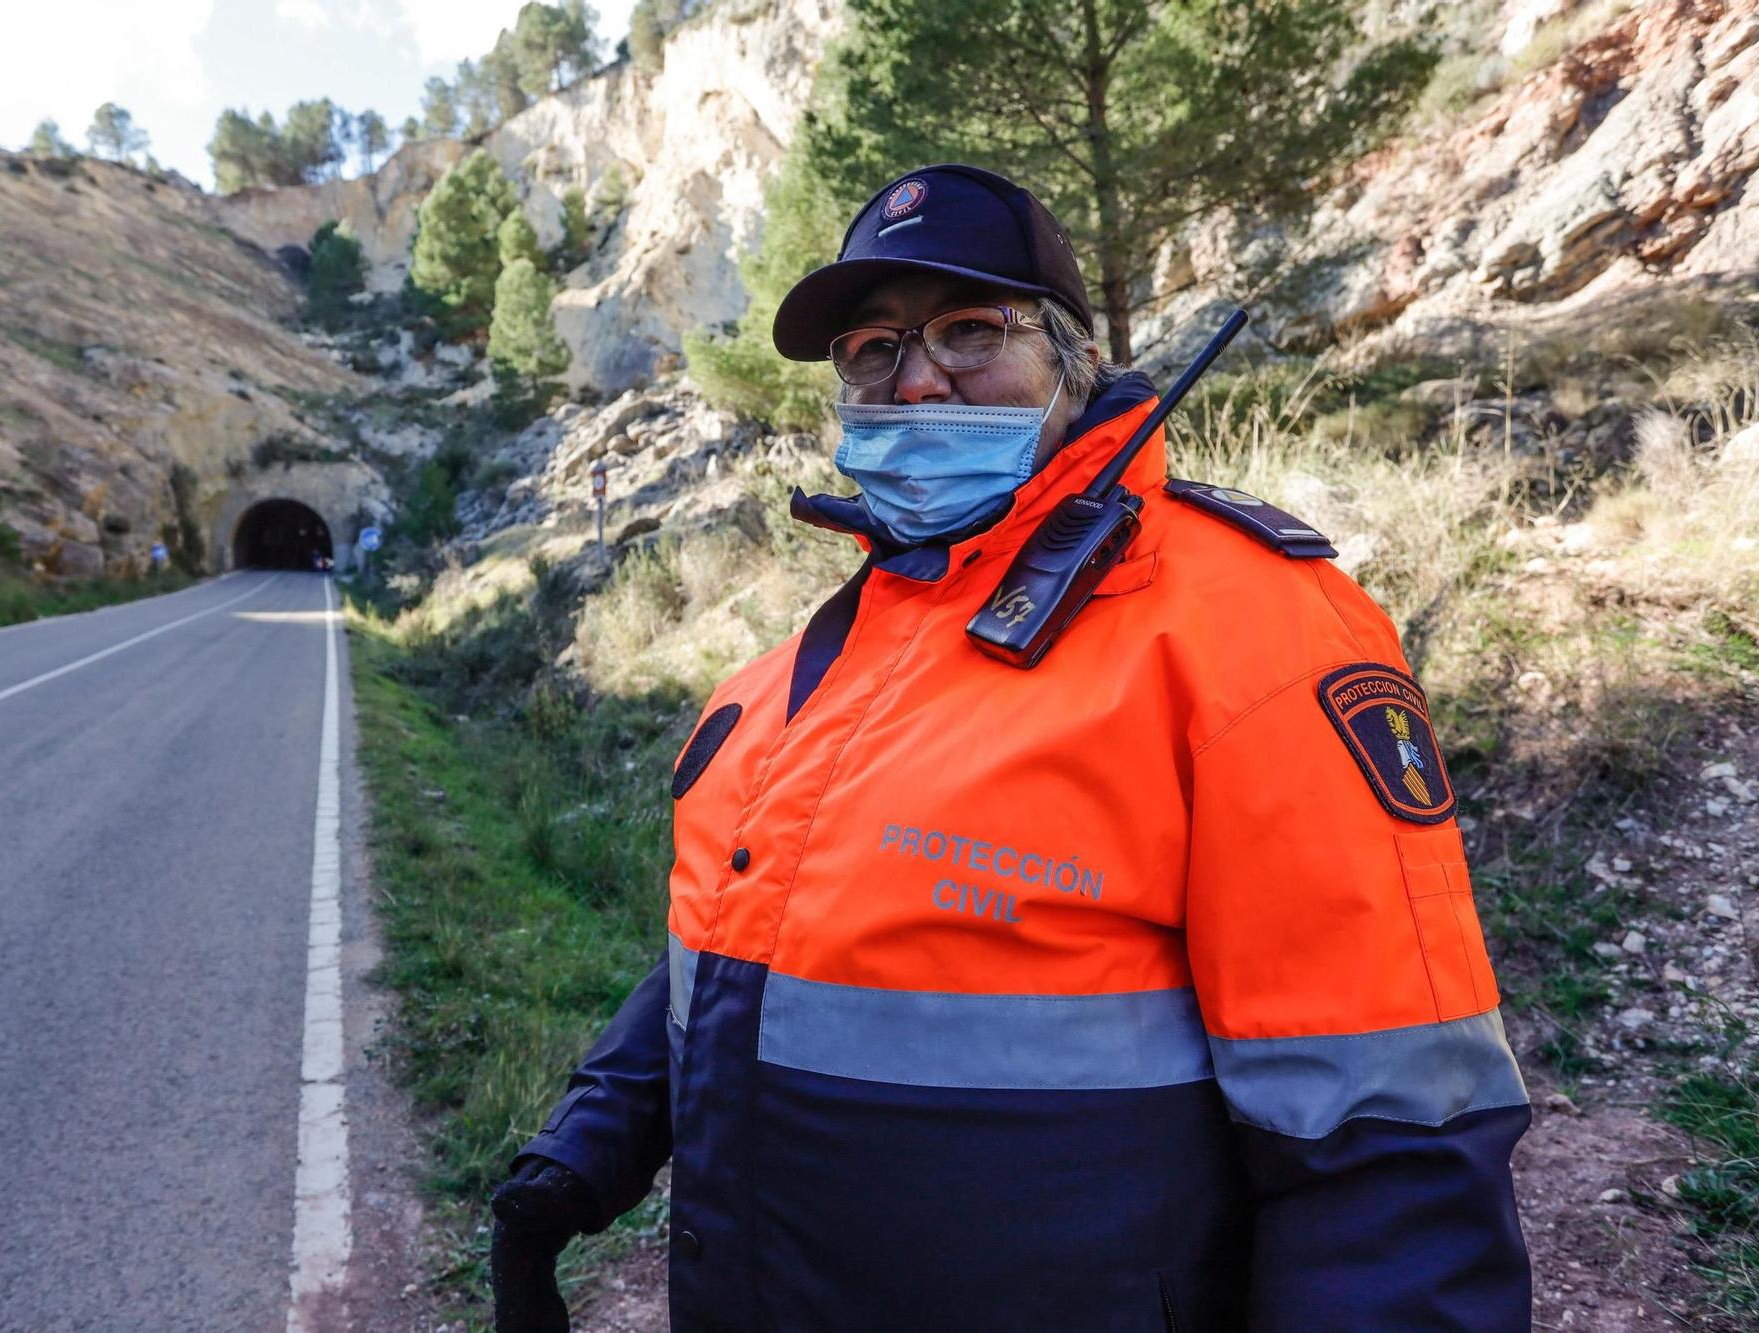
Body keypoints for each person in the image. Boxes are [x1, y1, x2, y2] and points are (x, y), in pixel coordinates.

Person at [490, 164, 1531, 1331]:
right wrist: (586, 1146)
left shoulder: (1254, 633)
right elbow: (738, 949)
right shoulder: (793, 671)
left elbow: (1391, 1135)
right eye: (872, 350)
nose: (917, 376)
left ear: (1072, 359)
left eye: (969, 329)